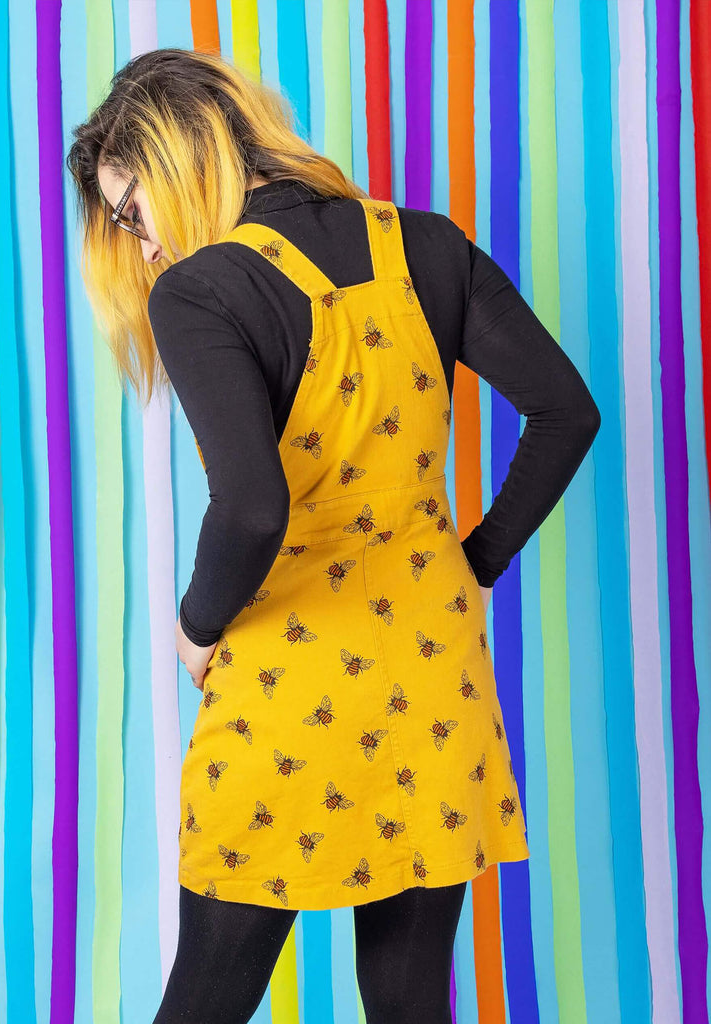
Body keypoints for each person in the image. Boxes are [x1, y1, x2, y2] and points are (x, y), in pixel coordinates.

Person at [67, 47, 600, 1024]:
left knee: (208, 997)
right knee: (407, 1001)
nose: (140, 245)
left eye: (131, 210)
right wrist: (472, 562)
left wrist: (195, 625)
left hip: (285, 692)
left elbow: (251, 508)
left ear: (177, 161)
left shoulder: (202, 290)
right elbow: (568, 410)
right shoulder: (427, 245)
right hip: (436, 677)